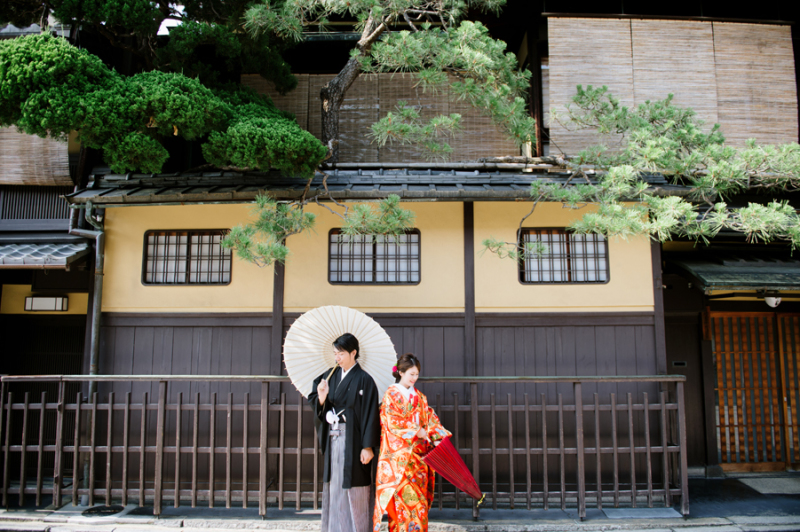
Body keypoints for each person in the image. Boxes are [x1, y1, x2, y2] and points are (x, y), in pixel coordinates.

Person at [309, 333, 380, 532]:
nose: (337, 358)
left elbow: (370, 413)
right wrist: (322, 398)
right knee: (335, 484)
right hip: (334, 438)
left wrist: (367, 446)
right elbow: (315, 400)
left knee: (355, 486)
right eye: (335, 353)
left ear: (353, 353)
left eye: (340, 353)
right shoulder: (329, 376)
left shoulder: (365, 380)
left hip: (355, 440)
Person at [372, 354, 451, 532]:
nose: (414, 378)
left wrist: (436, 435)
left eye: (416, 374)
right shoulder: (391, 395)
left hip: (419, 459)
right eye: (411, 374)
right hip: (400, 460)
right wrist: (416, 430)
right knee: (401, 505)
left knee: (419, 505)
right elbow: (391, 422)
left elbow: (430, 419)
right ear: (400, 372)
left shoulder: (420, 397)